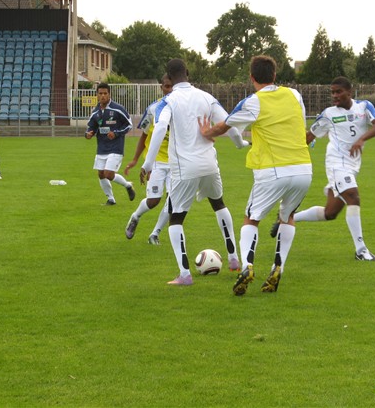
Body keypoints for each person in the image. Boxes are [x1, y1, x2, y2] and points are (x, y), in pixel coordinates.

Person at [199, 55, 312, 296]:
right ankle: (277, 267)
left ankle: (247, 266)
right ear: (274, 75)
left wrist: (206, 133)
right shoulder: (295, 95)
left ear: (251, 78)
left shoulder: (253, 101)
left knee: (251, 218)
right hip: (303, 168)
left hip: (273, 170)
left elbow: (226, 125)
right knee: (288, 216)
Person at [141, 58, 249, 286]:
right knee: (218, 203)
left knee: (176, 218)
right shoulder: (206, 97)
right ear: (188, 73)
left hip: (184, 167)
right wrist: (240, 144)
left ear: (168, 78)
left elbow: (160, 127)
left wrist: (148, 164)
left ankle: (185, 274)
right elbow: (229, 121)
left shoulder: (168, 101)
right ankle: (233, 258)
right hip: (209, 163)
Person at [286, 76, 375, 261]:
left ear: (350, 92)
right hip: (336, 163)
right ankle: (361, 250)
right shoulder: (329, 114)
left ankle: (289, 217)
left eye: (338, 92)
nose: (335, 95)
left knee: (330, 213)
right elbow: (308, 138)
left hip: (352, 165)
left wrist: (362, 139)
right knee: (353, 197)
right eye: (332, 92)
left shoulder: (364, 106)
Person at [124, 75, 174, 244]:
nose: (170, 89)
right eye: (167, 86)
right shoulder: (153, 109)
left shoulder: (183, 108)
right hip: (157, 161)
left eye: (173, 86)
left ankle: (155, 234)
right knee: (154, 200)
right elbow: (144, 136)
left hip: (177, 163)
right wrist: (136, 160)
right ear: (161, 87)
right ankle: (135, 217)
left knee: (173, 201)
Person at [85, 82, 136, 205]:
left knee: (108, 174)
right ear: (97, 95)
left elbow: (129, 125)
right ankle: (111, 199)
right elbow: (90, 127)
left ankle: (127, 185)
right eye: (100, 93)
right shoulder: (95, 111)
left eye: (105, 93)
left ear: (109, 94)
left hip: (116, 147)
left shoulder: (117, 108)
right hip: (102, 147)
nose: (103, 96)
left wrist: (116, 133)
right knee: (101, 174)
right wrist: (88, 134)